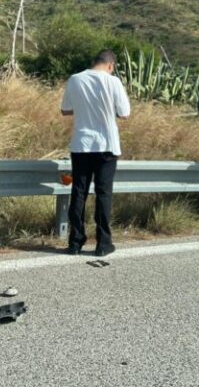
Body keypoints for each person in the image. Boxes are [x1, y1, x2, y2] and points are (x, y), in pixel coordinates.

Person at [61, 49, 131, 256]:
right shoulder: (113, 82)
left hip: (81, 144)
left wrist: (84, 108)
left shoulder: (75, 79)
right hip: (107, 145)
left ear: (95, 61)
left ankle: (75, 242)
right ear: (111, 65)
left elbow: (65, 110)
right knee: (103, 194)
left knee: (79, 192)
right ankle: (103, 244)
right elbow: (125, 113)